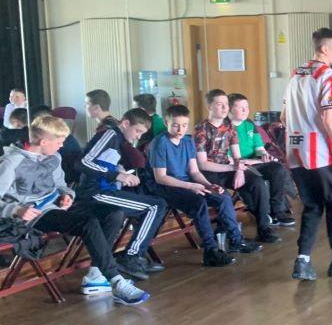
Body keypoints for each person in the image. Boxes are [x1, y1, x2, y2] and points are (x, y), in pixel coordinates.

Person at [0, 115, 149, 304]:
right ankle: (116, 281)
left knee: (113, 213)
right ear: (43, 141)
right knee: (87, 223)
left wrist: (67, 195)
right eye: (59, 142)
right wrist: (15, 210)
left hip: (57, 206)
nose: (62, 146)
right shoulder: (11, 162)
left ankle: (96, 274)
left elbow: (61, 185)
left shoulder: (53, 156)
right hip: (35, 214)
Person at [283, 27, 332, 281]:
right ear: (324, 49)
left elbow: (284, 117)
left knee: (312, 204)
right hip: (319, 152)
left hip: (295, 150)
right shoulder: (330, 76)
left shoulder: (297, 74)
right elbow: (330, 120)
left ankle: (303, 261)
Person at [147, 103, 261, 267]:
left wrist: (209, 185)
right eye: (176, 125)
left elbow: (194, 172)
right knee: (198, 202)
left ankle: (236, 240)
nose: (180, 129)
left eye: (184, 125)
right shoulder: (160, 143)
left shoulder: (187, 141)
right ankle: (210, 251)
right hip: (166, 187)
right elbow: (161, 178)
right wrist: (191, 187)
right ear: (166, 123)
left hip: (187, 183)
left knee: (222, 197)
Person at [78, 108, 169, 280]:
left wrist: (119, 171)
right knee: (155, 206)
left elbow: (105, 163)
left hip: (106, 190)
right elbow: (83, 162)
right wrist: (117, 175)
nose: (138, 137)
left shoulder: (119, 139)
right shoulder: (110, 134)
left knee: (158, 204)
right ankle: (131, 257)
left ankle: (134, 256)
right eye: (137, 131)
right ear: (126, 123)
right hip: (94, 192)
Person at [194, 89, 282, 244]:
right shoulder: (201, 129)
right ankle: (228, 234)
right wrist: (234, 169)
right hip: (209, 171)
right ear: (209, 107)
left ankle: (264, 228)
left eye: (226, 104)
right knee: (224, 196)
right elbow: (203, 163)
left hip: (229, 169)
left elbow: (237, 156)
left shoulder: (229, 127)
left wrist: (239, 171)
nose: (224, 108)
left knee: (257, 183)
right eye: (220, 104)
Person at [228, 93, 295, 225]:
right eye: (240, 107)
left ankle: (278, 210)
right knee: (256, 180)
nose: (245, 110)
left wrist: (264, 154)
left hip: (254, 161)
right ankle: (262, 212)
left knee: (278, 169)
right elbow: (229, 158)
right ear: (230, 109)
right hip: (237, 166)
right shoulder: (226, 127)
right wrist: (251, 161)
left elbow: (259, 147)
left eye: (247, 107)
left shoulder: (249, 123)